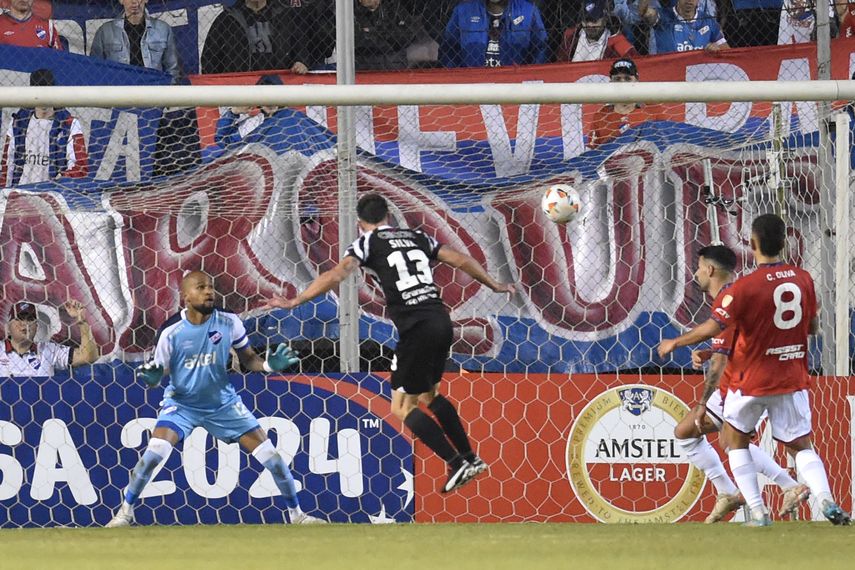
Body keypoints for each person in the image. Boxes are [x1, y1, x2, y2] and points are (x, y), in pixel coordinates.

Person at [264, 194, 515, 493]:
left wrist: (296, 300)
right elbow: (460, 259)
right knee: (427, 395)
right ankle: (470, 457)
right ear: (388, 217)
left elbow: (336, 274)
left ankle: (456, 460)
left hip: (416, 328)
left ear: (360, 224)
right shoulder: (417, 237)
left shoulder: (366, 244)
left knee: (401, 407)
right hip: (440, 321)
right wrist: (495, 284)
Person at [658, 214, 850, 526]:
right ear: (785, 242)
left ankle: (758, 512)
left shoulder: (744, 287)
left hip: (750, 380)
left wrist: (675, 342)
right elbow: (812, 326)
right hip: (792, 377)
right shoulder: (803, 278)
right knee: (801, 446)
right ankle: (826, 498)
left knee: (734, 441)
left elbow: (713, 326)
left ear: (752, 242)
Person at [106, 271, 324, 527]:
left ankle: (297, 516)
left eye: (210, 287)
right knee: (153, 455)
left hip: (223, 404)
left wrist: (267, 366)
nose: (209, 291)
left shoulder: (229, 322)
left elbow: (249, 359)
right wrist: (154, 377)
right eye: (201, 287)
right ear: (186, 296)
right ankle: (124, 514)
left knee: (273, 459)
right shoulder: (171, 332)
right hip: (182, 405)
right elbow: (158, 372)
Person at [674, 245, 809, 524]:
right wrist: (709, 352)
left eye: (699, 267)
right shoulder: (731, 297)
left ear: (709, 270)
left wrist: (702, 402)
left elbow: (726, 358)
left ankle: (780, 487)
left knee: (718, 438)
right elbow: (741, 344)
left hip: (738, 384)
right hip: (745, 380)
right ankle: (738, 491)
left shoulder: (730, 298)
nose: (696, 273)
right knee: (701, 435)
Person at [0, 69, 88, 188]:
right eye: (39, 93)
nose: (43, 98)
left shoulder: (69, 124)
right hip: (20, 194)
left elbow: (80, 167)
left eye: (47, 92)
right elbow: (7, 165)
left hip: (52, 195)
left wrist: (61, 181)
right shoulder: (18, 122)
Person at [200, 0, 309, 75]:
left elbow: (300, 48)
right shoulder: (227, 19)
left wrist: (301, 62)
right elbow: (209, 59)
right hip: (240, 92)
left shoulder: (284, 16)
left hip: (278, 88)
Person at [1, 300, 98, 377]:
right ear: (8, 328)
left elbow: (88, 356)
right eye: (19, 318)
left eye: (30, 319)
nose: (25, 324)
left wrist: (82, 322)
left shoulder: (49, 350)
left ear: (37, 327)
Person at [90, 0, 180, 82]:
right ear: (121, 1)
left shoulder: (162, 29)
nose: (134, 1)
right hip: (118, 91)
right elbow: (95, 69)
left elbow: (172, 70)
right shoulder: (105, 31)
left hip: (152, 90)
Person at [440, 0, 548, 68]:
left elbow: (540, 49)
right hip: (473, 86)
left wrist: (529, 79)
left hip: (514, 86)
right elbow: (449, 49)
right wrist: (458, 79)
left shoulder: (528, 11)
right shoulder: (463, 11)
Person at [588, 58, 649, 148]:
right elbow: (592, 154)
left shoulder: (650, 112)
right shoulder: (601, 116)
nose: (622, 83)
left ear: (637, 81)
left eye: (627, 78)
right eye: (617, 79)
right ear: (610, 82)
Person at [214, 74, 283, 149]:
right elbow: (223, 142)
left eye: (274, 95)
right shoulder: (252, 124)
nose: (270, 101)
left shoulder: (293, 118)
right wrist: (233, 112)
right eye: (266, 96)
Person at [556, 0, 637, 62]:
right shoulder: (570, 37)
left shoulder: (620, 46)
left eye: (594, 21)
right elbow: (559, 67)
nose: (590, 25)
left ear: (605, 19)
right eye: (586, 20)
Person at [353, 0, 424, 70]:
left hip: (393, 65)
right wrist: (386, 33)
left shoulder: (394, 7)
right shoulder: (351, 11)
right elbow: (356, 41)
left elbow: (407, 36)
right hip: (361, 65)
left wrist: (372, 31)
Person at [640, 0, 728, 54]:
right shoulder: (663, 17)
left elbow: (728, 52)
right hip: (671, 75)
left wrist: (717, 49)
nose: (689, 0)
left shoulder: (709, 21)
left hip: (698, 78)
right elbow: (643, 12)